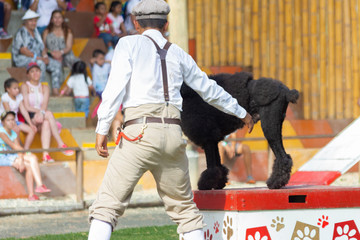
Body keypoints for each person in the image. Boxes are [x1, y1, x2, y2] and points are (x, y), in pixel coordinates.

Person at [87, 0, 254, 239]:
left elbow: (114, 89)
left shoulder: (127, 44)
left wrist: (102, 128)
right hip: (174, 135)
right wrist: (241, 112)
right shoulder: (178, 53)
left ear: (136, 23)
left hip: (139, 133)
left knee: (106, 207)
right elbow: (209, 89)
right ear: (166, 24)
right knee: (186, 211)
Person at [21, 62, 74, 163]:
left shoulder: (45, 87)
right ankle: (61, 143)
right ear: (28, 74)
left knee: (46, 123)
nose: (35, 73)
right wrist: (39, 112)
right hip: (30, 117)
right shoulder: (25, 86)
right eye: (32, 71)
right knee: (48, 114)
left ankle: (45, 155)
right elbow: (27, 106)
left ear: (41, 72)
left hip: (42, 117)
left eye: (37, 71)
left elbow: (44, 105)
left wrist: (41, 113)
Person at [0, 111, 51, 201]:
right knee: (30, 157)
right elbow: (13, 145)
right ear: (3, 122)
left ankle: (35, 191)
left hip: (12, 155)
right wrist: (24, 154)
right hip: (3, 156)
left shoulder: (13, 133)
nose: (11, 122)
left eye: (12, 119)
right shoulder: (1, 132)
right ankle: (37, 188)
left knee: (32, 159)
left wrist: (20, 158)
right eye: (8, 120)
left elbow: (17, 149)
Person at [12, 10, 63, 96]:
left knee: (56, 64)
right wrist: (39, 58)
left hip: (38, 57)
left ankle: (55, 90)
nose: (33, 23)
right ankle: (40, 89)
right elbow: (23, 50)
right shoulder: (22, 31)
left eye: (35, 20)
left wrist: (45, 56)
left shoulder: (36, 32)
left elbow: (42, 47)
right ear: (26, 22)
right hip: (21, 59)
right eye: (31, 20)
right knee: (40, 63)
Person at [0, 78, 37, 150]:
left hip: (15, 121)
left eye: (18, 88)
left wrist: (30, 124)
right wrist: (13, 124)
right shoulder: (5, 97)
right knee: (15, 129)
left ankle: (25, 150)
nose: (17, 90)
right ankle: (18, 149)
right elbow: (8, 113)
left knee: (32, 130)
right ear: (8, 89)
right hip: (5, 121)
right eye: (15, 88)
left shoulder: (19, 97)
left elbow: (24, 111)